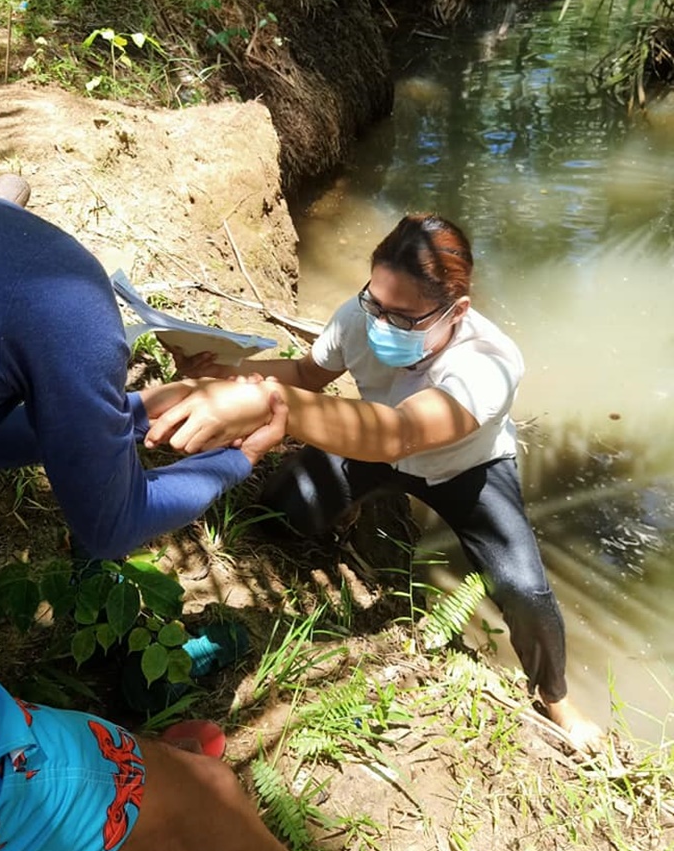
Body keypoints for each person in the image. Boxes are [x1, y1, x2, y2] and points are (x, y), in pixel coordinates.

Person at [0, 0, 326, 851]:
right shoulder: (39, 272)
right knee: (210, 808)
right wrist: (242, 449)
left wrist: (117, 418)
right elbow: (108, 526)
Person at [150, 213, 604, 753]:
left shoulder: (490, 363)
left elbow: (400, 433)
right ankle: (364, 508)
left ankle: (556, 696)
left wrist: (265, 402)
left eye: (403, 317)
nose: (381, 323)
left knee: (523, 589)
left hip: (463, 470)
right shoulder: (358, 317)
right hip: (371, 447)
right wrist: (220, 375)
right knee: (282, 512)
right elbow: (307, 376)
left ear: (457, 311)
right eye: (375, 302)